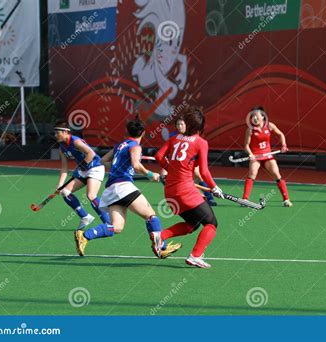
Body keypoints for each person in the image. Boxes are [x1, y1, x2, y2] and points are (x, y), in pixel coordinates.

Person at [74, 119, 182, 258]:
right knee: (151, 216)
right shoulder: (135, 146)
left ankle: (84, 235)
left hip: (111, 189)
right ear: (143, 133)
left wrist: (118, 168)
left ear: (127, 132)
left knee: (117, 227)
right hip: (123, 187)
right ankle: (161, 247)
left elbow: (103, 161)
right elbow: (136, 166)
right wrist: (150, 174)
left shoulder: (119, 145)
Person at [155, 107, 223, 268]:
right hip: (185, 191)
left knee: (192, 224)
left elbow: (158, 156)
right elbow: (204, 171)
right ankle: (195, 256)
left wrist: (171, 169)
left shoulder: (174, 139)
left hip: (170, 191)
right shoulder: (201, 142)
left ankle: (160, 236)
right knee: (211, 223)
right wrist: (215, 187)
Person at [54, 120, 110, 230]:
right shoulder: (62, 147)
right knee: (65, 192)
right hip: (83, 170)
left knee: (91, 195)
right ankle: (85, 216)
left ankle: (108, 222)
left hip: (95, 168)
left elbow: (91, 153)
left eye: (57, 132)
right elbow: (64, 167)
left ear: (66, 132)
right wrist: (60, 184)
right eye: (55, 133)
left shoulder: (75, 141)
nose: (55, 135)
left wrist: (83, 166)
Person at [242, 106, 292, 207]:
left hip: (268, 155)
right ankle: (245, 200)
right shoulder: (250, 130)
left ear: (263, 117)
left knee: (277, 175)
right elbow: (246, 145)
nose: (254, 118)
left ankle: (286, 199)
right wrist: (250, 154)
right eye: (252, 117)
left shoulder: (270, 126)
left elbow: (281, 134)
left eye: (256, 116)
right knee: (252, 174)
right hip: (256, 156)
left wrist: (284, 145)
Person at [162, 116, 217, 206]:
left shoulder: (191, 136)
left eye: (181, 124)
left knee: (198, 175)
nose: (180, 126)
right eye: (178, 124)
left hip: (188, 163)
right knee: (163, 175)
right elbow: (163, 155)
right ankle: (190, 196)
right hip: (174, 164)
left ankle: (209, 197)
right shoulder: (173, 136)